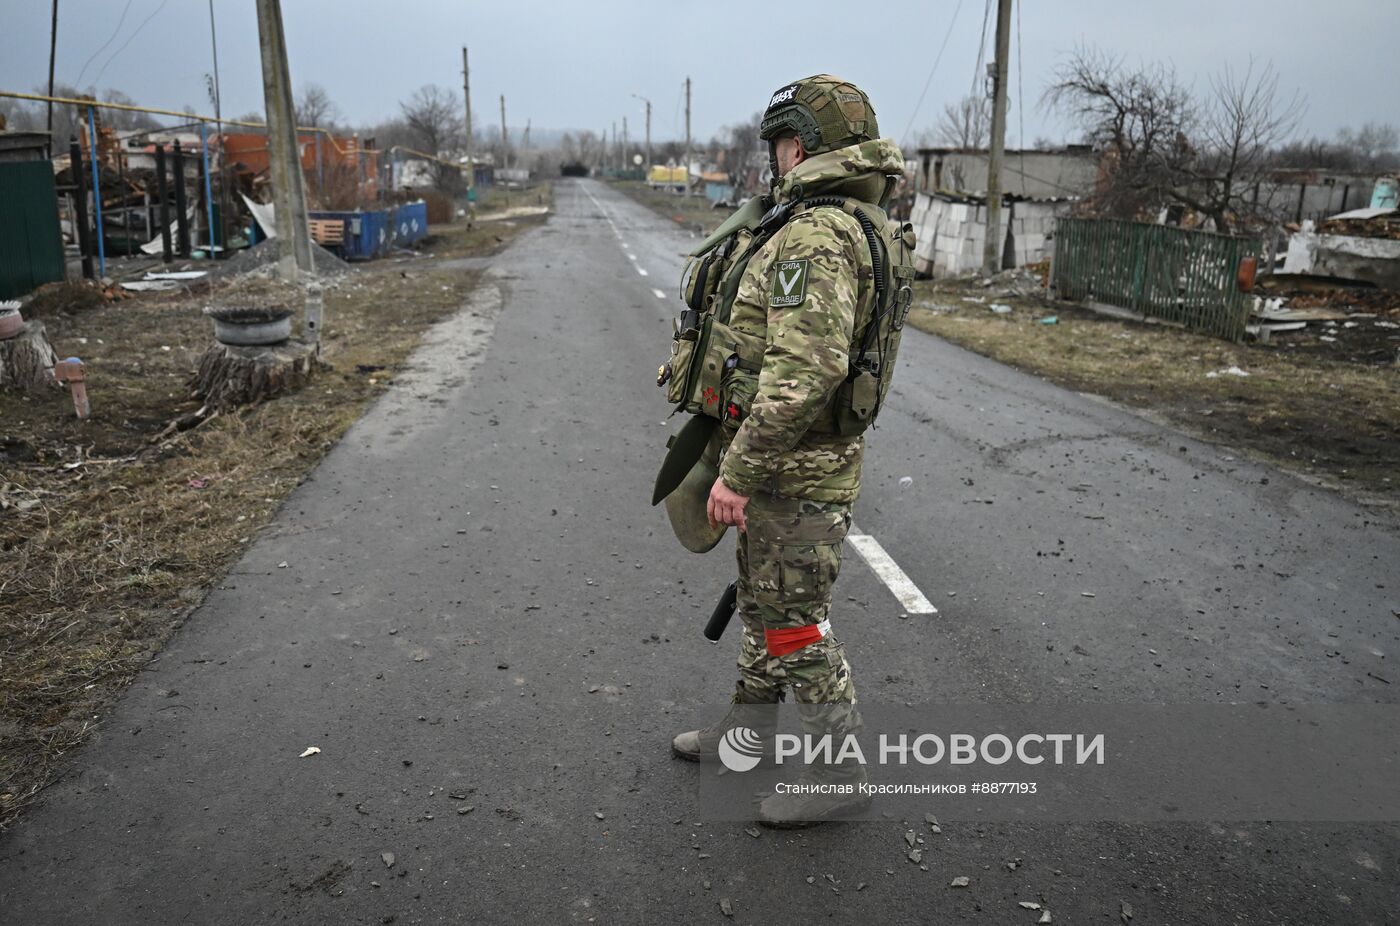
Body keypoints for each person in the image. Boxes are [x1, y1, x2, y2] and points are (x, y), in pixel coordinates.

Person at [668, 75, 911, 826]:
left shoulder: (816, 235)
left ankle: (841, 770)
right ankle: (747, 738)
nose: (775, 160)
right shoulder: (851, 221)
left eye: (779, 145)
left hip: (793, 468)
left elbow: (805, 371)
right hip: (795, 463)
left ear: (799, 145)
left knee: (795, 621)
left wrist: (736, 475)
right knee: (764, 602)